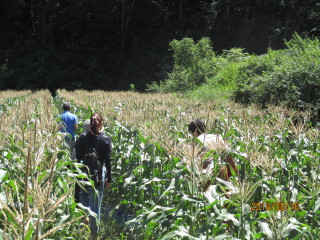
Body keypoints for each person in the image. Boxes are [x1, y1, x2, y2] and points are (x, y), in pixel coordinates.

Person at [75, 113, 112, 238]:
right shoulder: (105, 139)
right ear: (101, 123)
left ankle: (85, 217)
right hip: (98, 175)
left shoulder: (82, 137)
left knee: (83, 196)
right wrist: (109, 179)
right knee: (95, 205)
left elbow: (78, 156)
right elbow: (108, 161)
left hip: (84, 173)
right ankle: (94, 234)